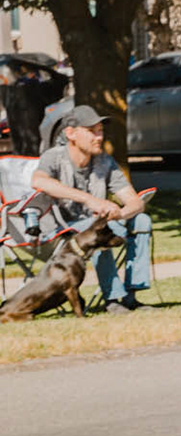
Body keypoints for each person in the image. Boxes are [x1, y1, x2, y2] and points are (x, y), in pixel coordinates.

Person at [31, 106, 151, 313]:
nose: (99, 137)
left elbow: (135, 201)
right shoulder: (54, 157)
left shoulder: (105, 161)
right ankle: (113, 299)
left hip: (97, 226)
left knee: (141, 220)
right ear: (71, 134)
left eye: (100, 131)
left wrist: (119, 213)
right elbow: (38, 181)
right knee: (96, 230)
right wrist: (89, 200)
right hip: (61, 232)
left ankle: (132, 295)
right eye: (92, 131)